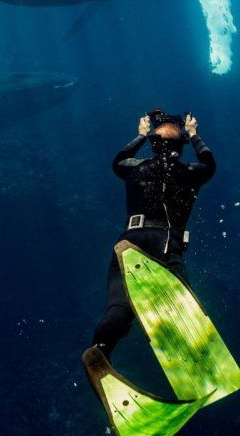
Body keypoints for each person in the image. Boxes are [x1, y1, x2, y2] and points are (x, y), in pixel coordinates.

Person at [88, 108, 217, 359]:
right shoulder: (189, 173)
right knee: (183, 303)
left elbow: (118, 160)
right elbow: (209, 163)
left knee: (119, 307)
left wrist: (141, 135)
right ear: (181, 147)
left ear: (152, 144)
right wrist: (193, 134)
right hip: (165, 242)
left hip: (129, 241)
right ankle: (199, 356)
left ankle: (100, 351)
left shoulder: (134, 168)